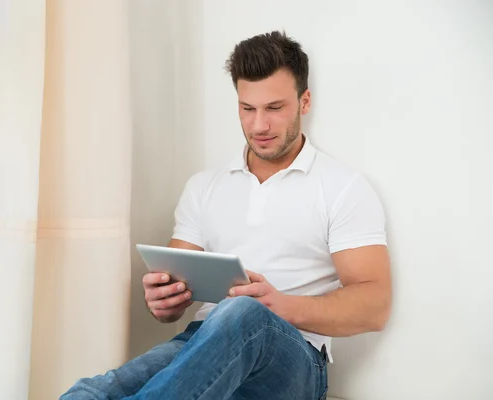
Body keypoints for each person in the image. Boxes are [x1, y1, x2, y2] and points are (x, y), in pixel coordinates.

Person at [60, 30, 392, 400]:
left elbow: (374, 306)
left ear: (304, 101)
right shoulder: (205, 187)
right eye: (247, 109)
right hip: (202, 342)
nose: (259, 125)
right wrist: (164, 300)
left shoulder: (343, 187)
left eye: (274, 108)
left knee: (243, 312)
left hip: (294, 360)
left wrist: (280, 305)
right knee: (90, 392)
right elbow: (174, 287)